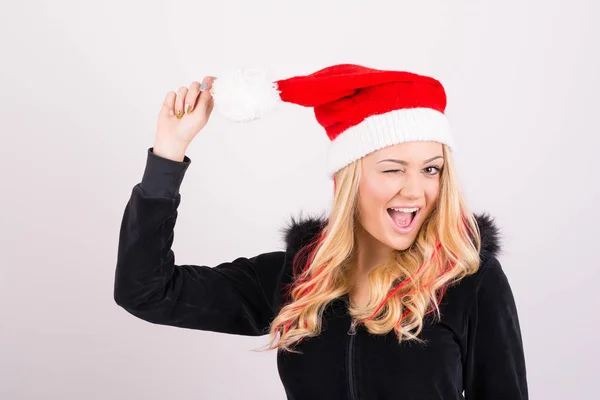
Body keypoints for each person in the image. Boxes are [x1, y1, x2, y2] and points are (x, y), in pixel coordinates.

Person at [113, 64, 528, 399]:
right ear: (350, 180)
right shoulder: (297, 279)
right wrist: (168, 155)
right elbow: (146, 292)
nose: (416, 191)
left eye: (431, 169)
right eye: (392, 169)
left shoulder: (468, 280)